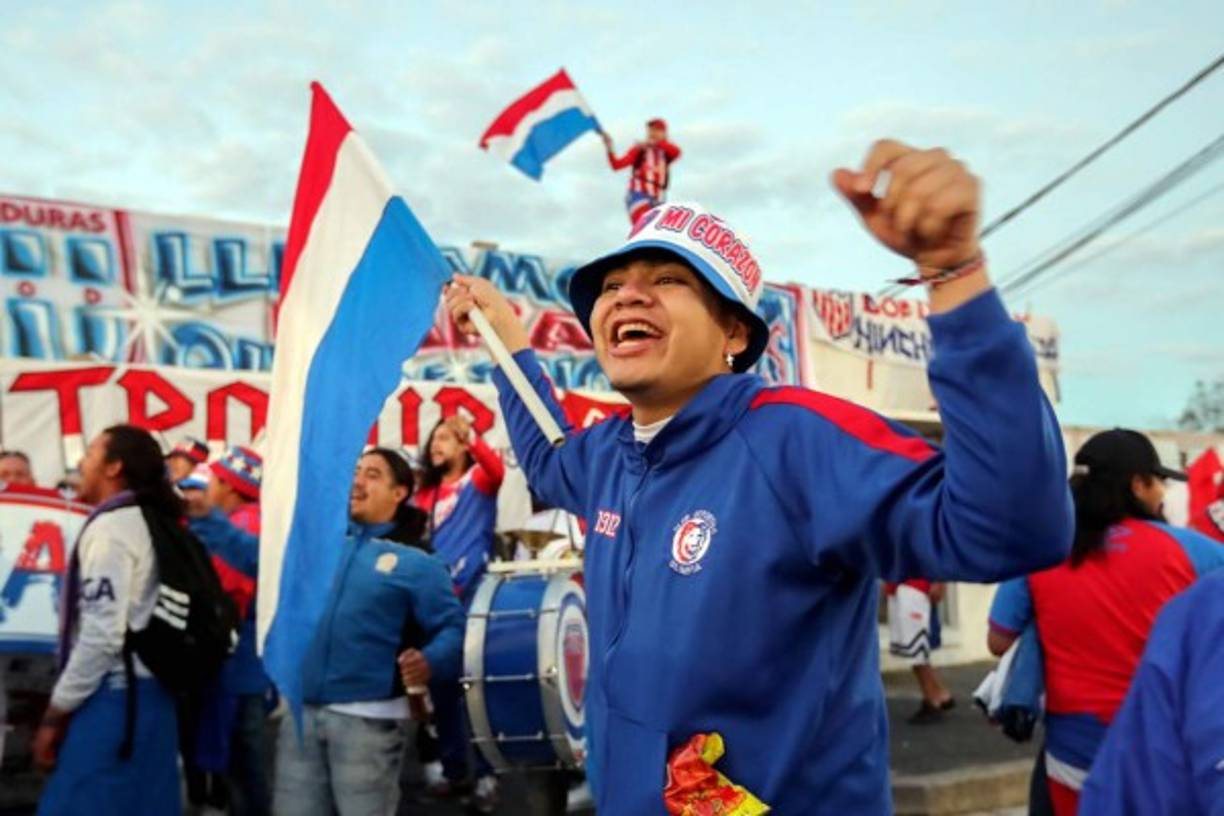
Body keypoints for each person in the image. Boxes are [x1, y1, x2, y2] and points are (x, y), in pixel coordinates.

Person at [445, 139, 1074, 813]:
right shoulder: (608, 454)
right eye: (612, 284)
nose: (628, 294)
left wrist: (955, 275)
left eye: (667, 280)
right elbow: (545, 453)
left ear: (734, 335)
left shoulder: (795, 440)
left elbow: (1007, 530)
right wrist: (505, 339)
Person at [987, 428, 1224, 816]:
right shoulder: (1195, 551)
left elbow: (998, 641)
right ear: (1137, 484)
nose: (1162, 493)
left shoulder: (1044, 550)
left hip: (1070, 757)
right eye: (1158, 482)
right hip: (1154, 757)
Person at [273, 448, 464, 816]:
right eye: (356, 470)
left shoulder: (418, 561)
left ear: (400, 492)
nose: (358, 481)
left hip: (370, 721)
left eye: (373, 474)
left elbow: (453, 628)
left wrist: (429, 660)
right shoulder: (321, 547)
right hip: (301, 715)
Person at [32, 426, 181, 815]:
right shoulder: (153, 519)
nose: (82, 461)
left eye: (92, 452)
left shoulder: (113, 528)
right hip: (155, 699)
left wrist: (56, 712)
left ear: (114, 467)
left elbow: (101, 637)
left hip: (118, 700)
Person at [1078, 568, 1224, 815]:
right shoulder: (1196, 593)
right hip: (1110, 730)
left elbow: (1000, 638)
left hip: (1079, 727)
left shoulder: (1196, 612)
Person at [412, 416, 504, 807]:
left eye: (446, 438)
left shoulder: (477, 483)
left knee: (474, 691)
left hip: (472, 598)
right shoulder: (424, 495)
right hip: (435, 601)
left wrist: (473, 436)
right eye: (434, 438)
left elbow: (496, 470)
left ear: (465, 445)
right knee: (442, 689)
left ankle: (486, 774)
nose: (437, 443)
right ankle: (454, 772)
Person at [186, 446, 272, 816]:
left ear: (233, 487)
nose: (209, 487)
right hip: (244, 656)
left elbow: (230, 589)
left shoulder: (245, 521)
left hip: (236, 656)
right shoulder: (249, 518)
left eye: (216, 481)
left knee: (243, 752)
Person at [886, 579, 954, 724]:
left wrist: (939, 581)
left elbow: (939, 555)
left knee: (916, 648)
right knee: (911, 649)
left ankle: (932, 700)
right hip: (897, 585)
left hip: (916, 586)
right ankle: (940, 694)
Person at [602, 118, 681, 225]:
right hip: (639, 195)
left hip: (658, 198)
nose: (653, 133)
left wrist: (656, 143)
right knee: (644, 226)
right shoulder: (639, 149)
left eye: (657, 130)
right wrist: (609, 147)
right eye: (651, 130)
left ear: (664, 133)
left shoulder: (665, 152)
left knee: (658, 231)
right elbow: (617, 165)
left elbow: (677, 152)